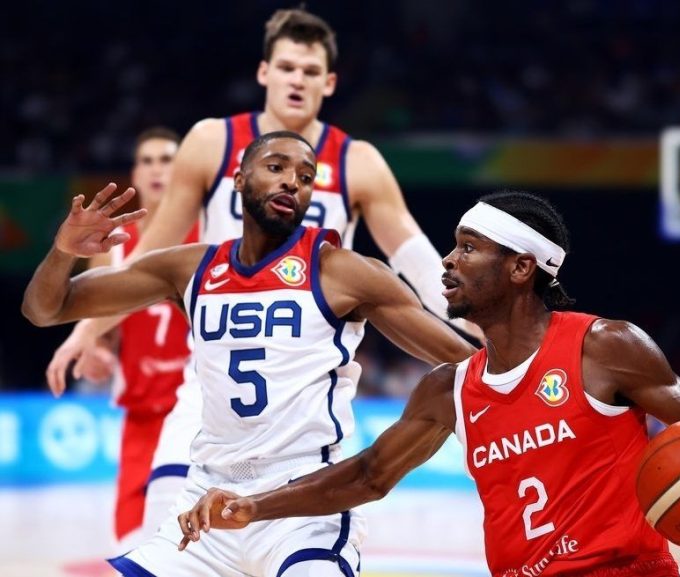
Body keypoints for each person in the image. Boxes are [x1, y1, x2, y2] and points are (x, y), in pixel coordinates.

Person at [177, 191, 680, 577]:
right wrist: (254, 505)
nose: (446, 262)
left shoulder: (605, 346)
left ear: (520, 269)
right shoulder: (447, 389)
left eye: (468, 248)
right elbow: (366, 476)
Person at [45, 6, 480, 529]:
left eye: (311, 71)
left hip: (303, 389)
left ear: (330, 82)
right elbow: (150, 254)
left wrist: (475, 324)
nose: (298, 80)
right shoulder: (211, 142)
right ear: (264, 72)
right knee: (167, 523)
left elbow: (412, 257)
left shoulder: (357, 161)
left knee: (282, 537)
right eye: (289, 67)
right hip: (212, 376)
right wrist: (87, 333)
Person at [22, 132, 476, 577]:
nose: (291, 182)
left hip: (304, 507)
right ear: (237, 180)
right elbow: (45, 310)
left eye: (305, 176)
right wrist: (63, 252)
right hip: (205, 504)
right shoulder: (189, 268)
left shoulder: (341, 271)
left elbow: (465, 360)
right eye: (276, 167)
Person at [53, 127, 198, 551]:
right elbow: (102, 325)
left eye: (167, 159)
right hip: (141, 414)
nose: (157, 169)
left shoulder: (209, 234)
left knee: (198, 545)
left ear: (185, 169)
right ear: (136, 172)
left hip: (197, 413)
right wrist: (97, 347)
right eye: (148, 161)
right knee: (131, 544)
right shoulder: (111, 247)